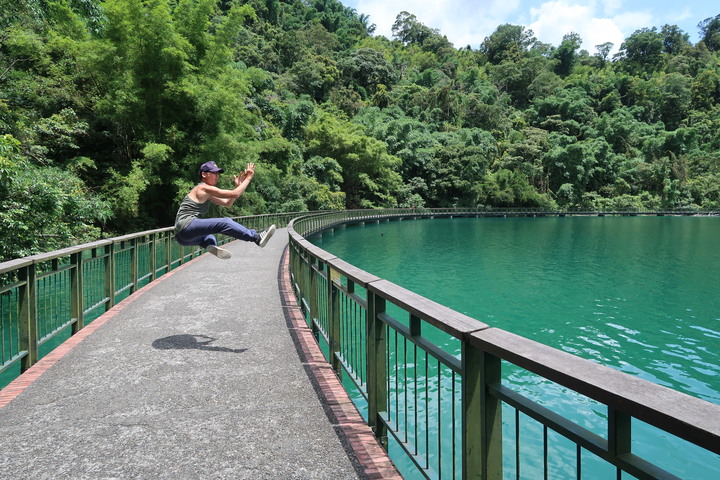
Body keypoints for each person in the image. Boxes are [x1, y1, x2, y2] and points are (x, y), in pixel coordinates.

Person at [174, 161, 275, 259]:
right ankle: (256, 238)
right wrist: (248, 178)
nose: (217, 176)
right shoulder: (203, 188)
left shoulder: (206, 193)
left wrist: (237, 186)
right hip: (187, 225)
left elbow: (228, 203)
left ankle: (210, 245)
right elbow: (235, 194)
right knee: (225, 222)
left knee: (209, 238)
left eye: (218, 173)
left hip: (182, 238)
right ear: (204, 174)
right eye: (214, 173)